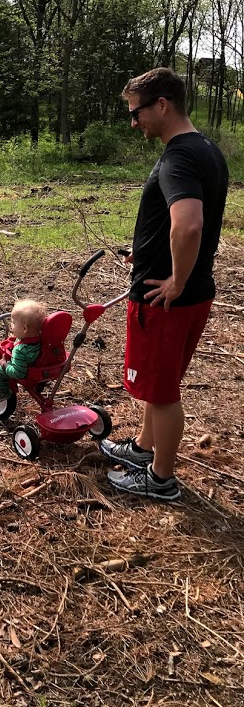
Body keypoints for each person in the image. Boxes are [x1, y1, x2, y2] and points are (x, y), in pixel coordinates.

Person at [100, 67, 229, 501]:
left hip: (166, 298)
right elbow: (191, 224)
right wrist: (151, 251)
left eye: (136, 113)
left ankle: (160, 479)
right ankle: (143, 448)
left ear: (162, 105)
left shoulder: (179, 156)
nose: (133, 123)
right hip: (191, 293)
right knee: (160, 385)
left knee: (164, 392)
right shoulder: (206, 149)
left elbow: (189, 225)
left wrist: (175, 279)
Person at [0, 298, 48, 419]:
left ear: (25, 329)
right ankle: (39, 385)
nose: (11, 325)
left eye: (14, 323)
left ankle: (4, 393)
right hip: (40, 365)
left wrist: (4, 364)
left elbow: (18, 373)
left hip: (25, 372)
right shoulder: (40, 339)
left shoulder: (20, 350)